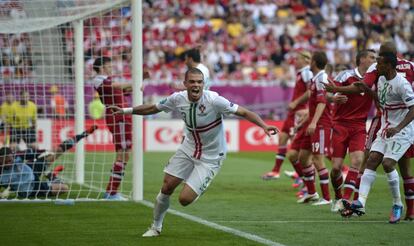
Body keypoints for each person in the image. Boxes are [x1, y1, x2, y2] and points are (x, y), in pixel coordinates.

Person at [108, 67, 279, 237]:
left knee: (184, 200)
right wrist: (126, 110)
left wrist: (264, 126)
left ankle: (198, 184)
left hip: (211, 156)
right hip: (188, 149)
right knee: (166, 186)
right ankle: (156, 227)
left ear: (204, 84)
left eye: (199, 82)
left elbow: (243, 112)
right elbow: (153, 108)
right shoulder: (177, 98)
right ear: (185, 84)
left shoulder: (214, 100)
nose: (196, 85)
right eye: (192, 82)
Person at [326, 41, 414, 220]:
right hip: (385, 125)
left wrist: (336, 89)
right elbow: (379, 99)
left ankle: (397, 204)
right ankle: (360, 202)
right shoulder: (384, 77)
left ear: (388, 61)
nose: (376, 62)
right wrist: (368, 90)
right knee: (373, 160)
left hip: (403, 128)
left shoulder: (401, 83)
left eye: (379, 57)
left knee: (387, 164)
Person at [329, 50, 376, 212]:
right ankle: (337, 196)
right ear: (362, 59)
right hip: (340, 125)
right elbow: (326, 93)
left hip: (359, 126)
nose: (374, 60)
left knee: (356, 161)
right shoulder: (345, 75)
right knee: (336, 168)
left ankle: (345, 201)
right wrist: (333, 98)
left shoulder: (375, 79)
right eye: (372, 57)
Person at [0, 125, 98, 198]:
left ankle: (84, 134)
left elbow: (34, 152)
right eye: (6, 161)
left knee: (58, 151)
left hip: (30, 169)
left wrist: (46, 151)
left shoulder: (17, 156)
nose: (10, 162)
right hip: (32, 189)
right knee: (64, 188)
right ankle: (52, 176)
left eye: (10, 160)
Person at [296, 51, 340, 205]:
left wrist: (314, 122)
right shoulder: (317, 78)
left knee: (317, 159)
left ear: (313, 62)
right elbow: (322, 99)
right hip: (313, 123)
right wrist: (306, 122)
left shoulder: (321, 77)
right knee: (302, 157)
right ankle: (312, 193)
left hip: (321, 124)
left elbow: (322, 102)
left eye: (310, 60)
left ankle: (327, 198)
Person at [262, 50, 313, 180]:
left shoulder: (307, 72)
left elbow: (311, 91)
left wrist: (299, 104)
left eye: (298, 59)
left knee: (297, 146)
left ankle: (302, 175)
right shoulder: (300, 73)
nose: (295, 61)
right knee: (283, 137)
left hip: (300, 112)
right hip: (293, 111)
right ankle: (276, 171)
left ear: (306, 60)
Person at [92, 56, 134, 200]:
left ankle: (112, 190)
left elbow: (125, 89)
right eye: (110, 65)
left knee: (125, 152)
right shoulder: (99, 79)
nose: (112, 68)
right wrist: (134, 81)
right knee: (123, 152)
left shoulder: (110, 82)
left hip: (123, 115)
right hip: (118, 116)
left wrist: (138, 82)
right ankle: (111, 192)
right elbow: (118, 86)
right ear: (102, 67)